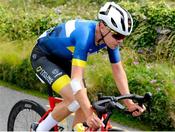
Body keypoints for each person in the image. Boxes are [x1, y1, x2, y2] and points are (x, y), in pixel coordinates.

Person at [30, 2, 146, 131]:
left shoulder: (109, 38)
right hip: (43, 57)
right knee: (74, 100)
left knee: (84, 101)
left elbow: (118, 70)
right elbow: (76, 79)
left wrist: (129, 103)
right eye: (117, 35)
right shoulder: (85, 35)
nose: (120, 40)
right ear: (102, 26)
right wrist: (89, 114)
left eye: (123, 36)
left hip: (63, 59)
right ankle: (40, 129)